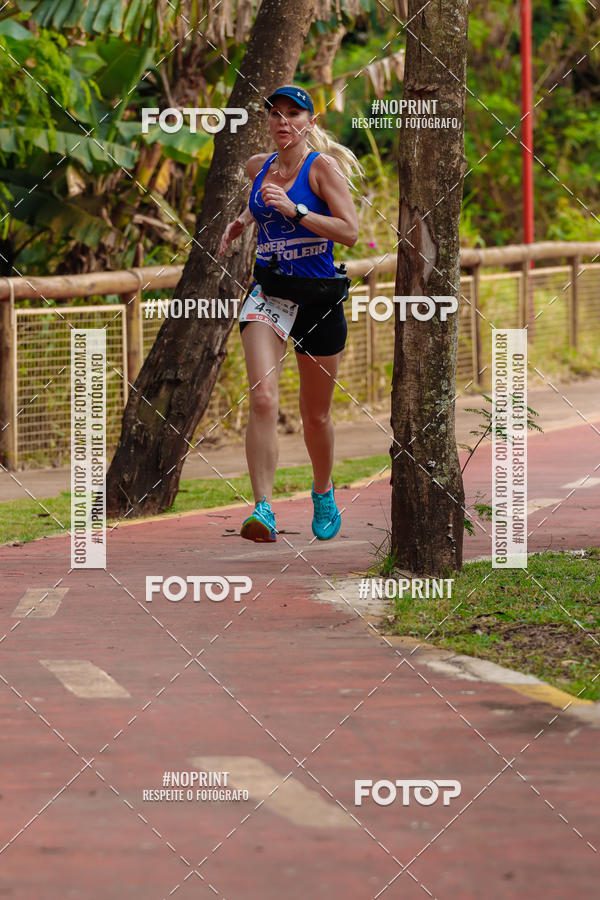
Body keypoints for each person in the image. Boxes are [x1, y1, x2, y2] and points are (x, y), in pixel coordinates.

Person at [219, 85, 362, 543]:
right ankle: (263, 508)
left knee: (315, 414)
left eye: (292, 114)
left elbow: (351, 231)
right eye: (275, 114)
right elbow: (261, 200)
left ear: (310, 122)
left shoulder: (322, 170)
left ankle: (323, 491)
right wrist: (244, 220)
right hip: (270, 293)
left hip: (318, 297)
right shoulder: (257, 167)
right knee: (261, 397)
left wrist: (297, 210)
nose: (282, 121)